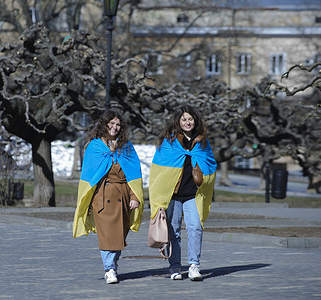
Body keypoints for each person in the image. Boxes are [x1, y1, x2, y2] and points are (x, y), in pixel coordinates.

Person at [73, 110, 144, 284]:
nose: (114, 127)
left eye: (118, 124)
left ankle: (113, 264)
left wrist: (134, 196)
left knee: (120, 236)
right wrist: (87, 203)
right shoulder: (94, 147)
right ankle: (109, 269)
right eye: (111, 123)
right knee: (106, 235)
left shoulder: (126, 147)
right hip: (102, 197)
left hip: (124, 198)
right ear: (104, 125)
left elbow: (134, 175)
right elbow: (89, 177)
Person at [149, 104, 217, 281]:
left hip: (193, 194)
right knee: (174, 231)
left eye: (191, 119)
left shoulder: (202, 142)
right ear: (178, 122)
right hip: (172, 195)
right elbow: (158, 171)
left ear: (195, 121)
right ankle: (175, 267)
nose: (188, 122)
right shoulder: (169, 142)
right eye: (184, 119)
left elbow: (210, 165)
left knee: (195, 227)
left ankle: (194, 265)